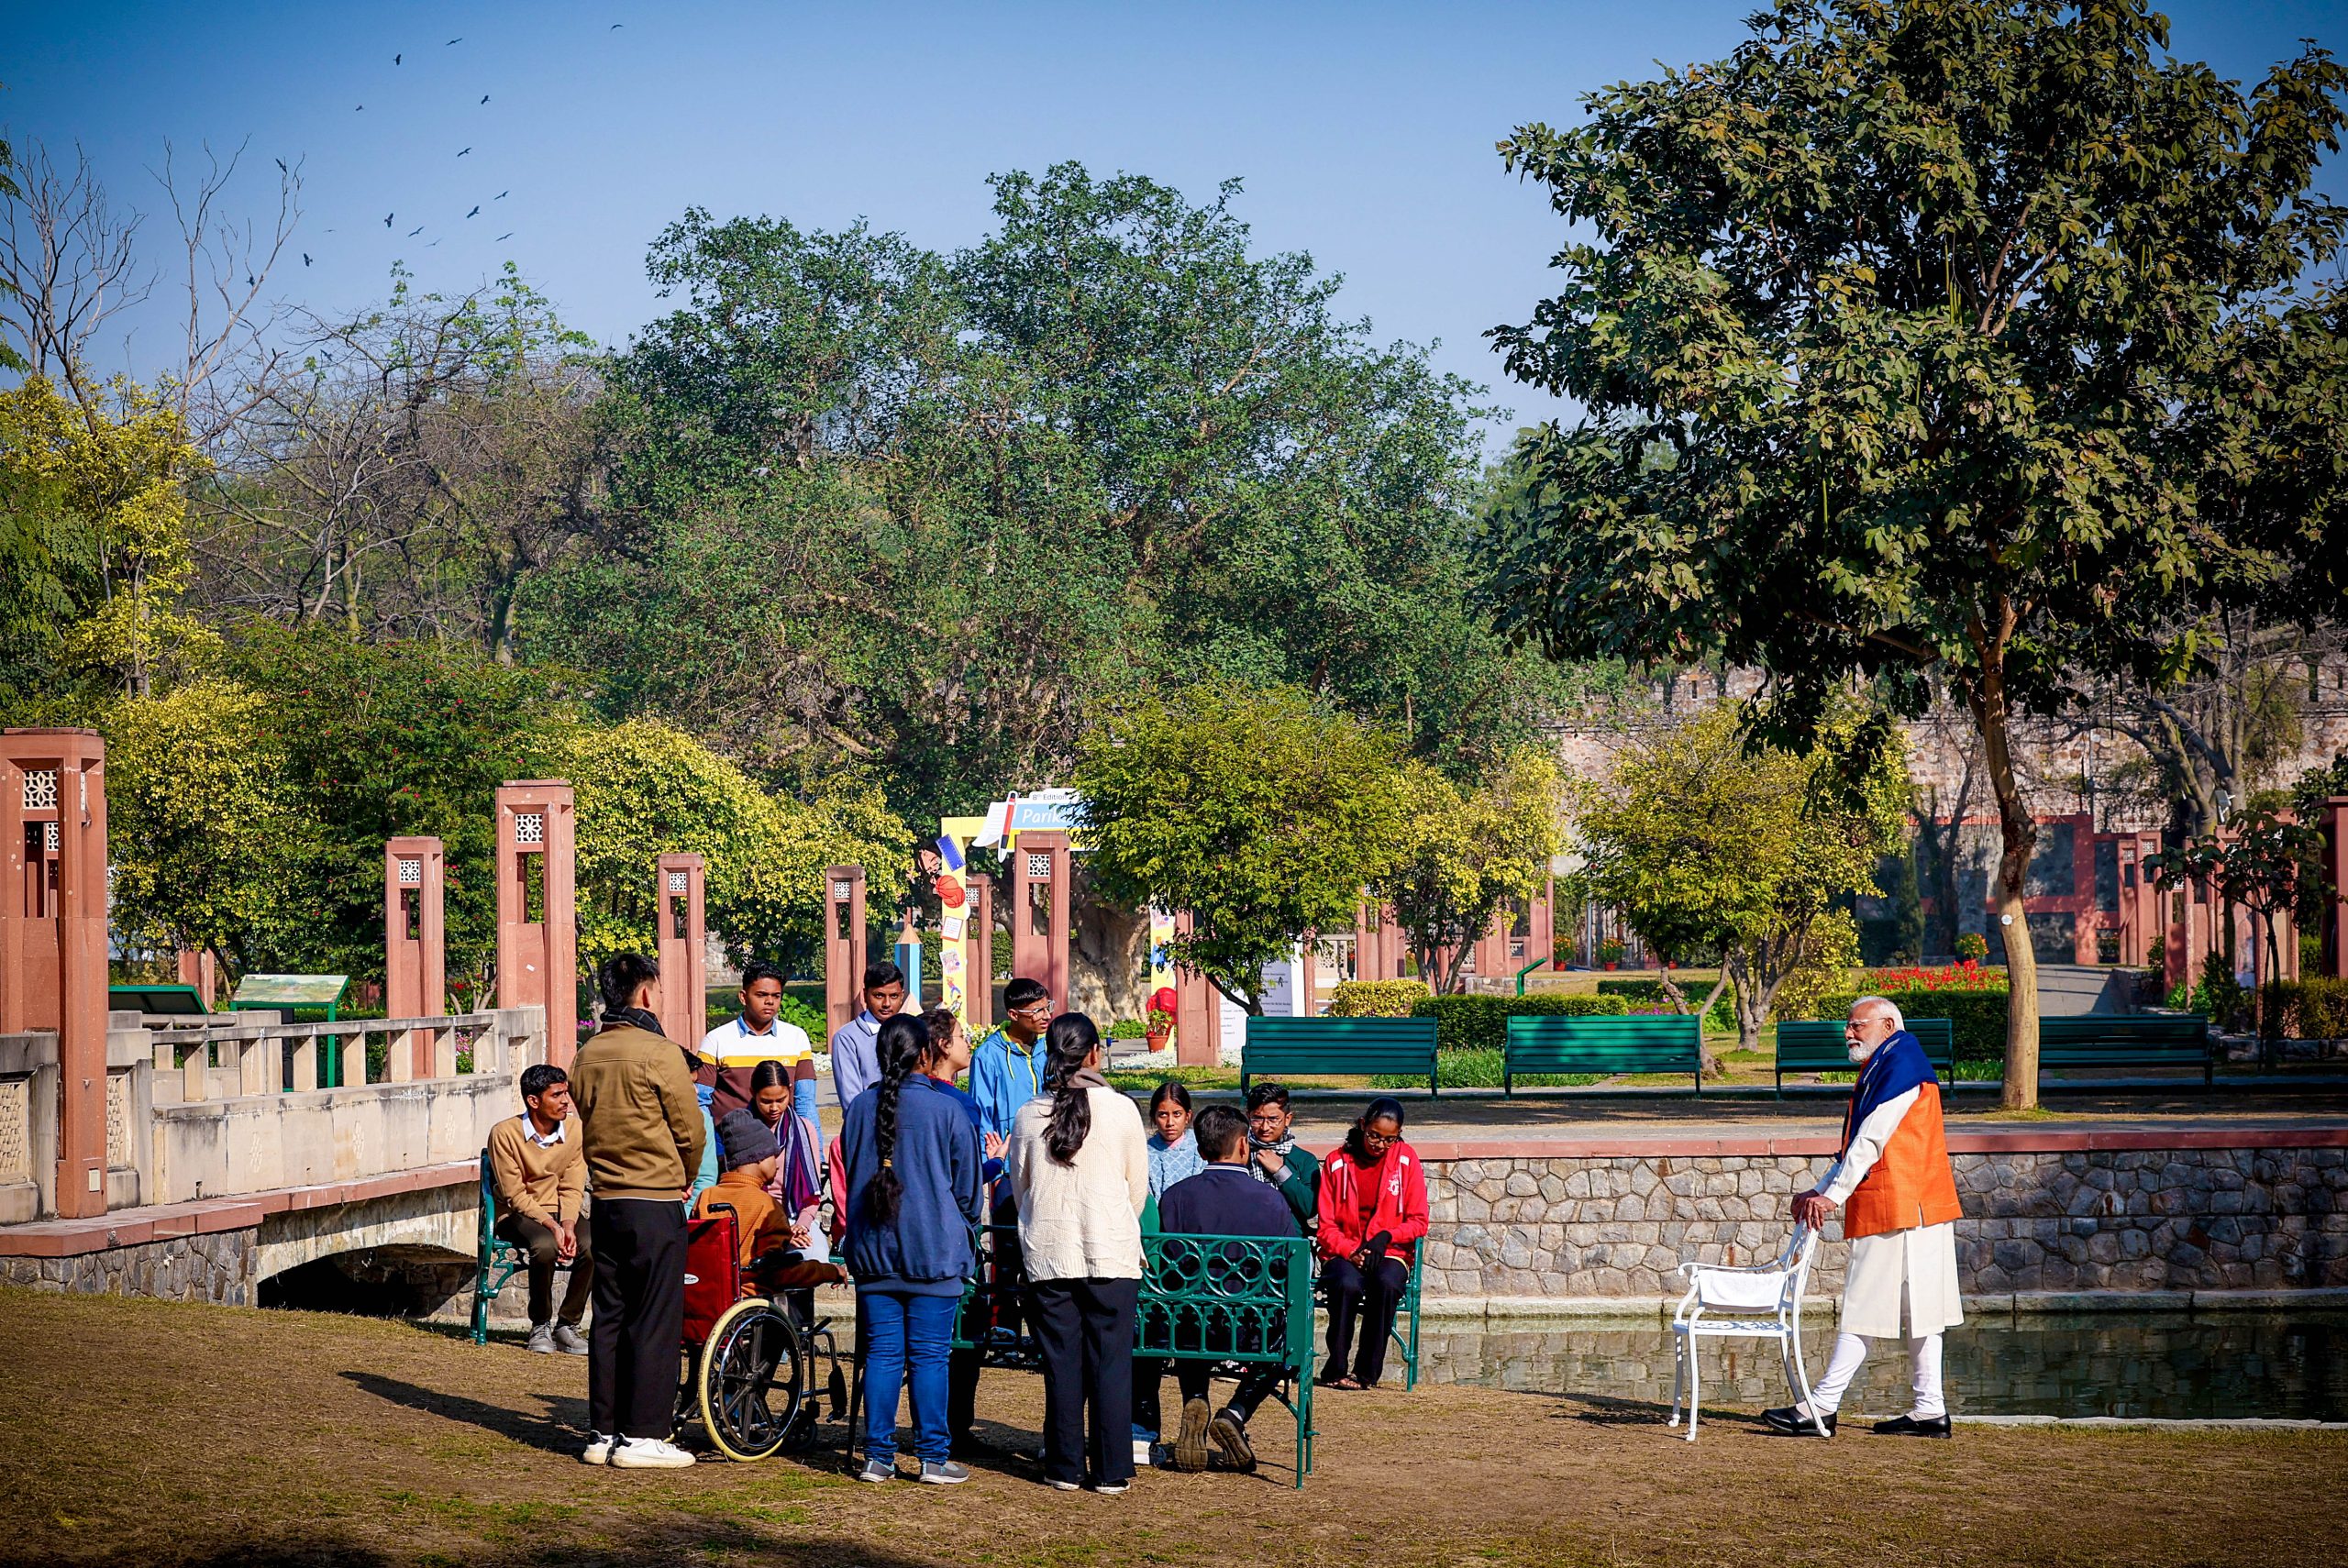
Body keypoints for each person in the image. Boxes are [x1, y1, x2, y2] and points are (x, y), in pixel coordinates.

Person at [1767, 997, 1965, 1439]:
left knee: (1864, 1304)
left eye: (1857, 1026)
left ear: (1888, 1024)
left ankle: (1822, 1406)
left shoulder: (1899, 1067)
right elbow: (1860, 1144)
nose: (1849, 1034)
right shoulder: (1897, 1061)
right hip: (1919, 1204)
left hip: (1898, 1205)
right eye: (1849, 1027)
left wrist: (1832, 1196)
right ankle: (1930, 1410)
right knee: (1922, 1311)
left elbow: (1870, 1141)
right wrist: (1821, 1189)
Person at [570, 952, 705, 1469]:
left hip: (606, 1199)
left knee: (609, 1316)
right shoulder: (660, 1052)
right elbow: (690, 1131)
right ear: (646, 993)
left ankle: (603, 1431)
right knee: (654, 1316)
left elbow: (583, 1118)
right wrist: (686, 1172)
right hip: (654, 1199)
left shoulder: (586, 1055)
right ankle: (645, 1434)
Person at [1005, 1013, 1149, 1494]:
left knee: (1061, 1363)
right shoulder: (1123, 1110)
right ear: (1093, 1053)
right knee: (1111, 1362)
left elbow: (1020, 1189)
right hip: (1111, 1250)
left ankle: (1065, 1466)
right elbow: (1137, 1190)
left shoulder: (1029, 1114)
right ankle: (1110, 1470)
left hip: (1049, 1252)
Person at [840, 1013, 985, 1485]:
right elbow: (969, 1189)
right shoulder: (947, 1110)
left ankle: (877, 1457)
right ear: (926, 1055)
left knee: (883, 1354)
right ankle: (931, 1457)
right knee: (928, 1356)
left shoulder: (860, 1109)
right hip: (933, 1251)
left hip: (875, 1252)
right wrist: (957, 1223)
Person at [1134, 1104, 1301, 1475]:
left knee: (1192, 1312)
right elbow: (1288, 1265)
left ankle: (1196, 1399)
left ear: (1201, 1149)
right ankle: (1236, 1413)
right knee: (1287, 1338)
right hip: (1251, 1329)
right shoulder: (1270, 1199)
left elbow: (1167, 1262)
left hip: (1188, 1325)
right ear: (1244, 1145)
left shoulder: (1176, 1196)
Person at [950, 976, 1050, 1455]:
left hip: (1052, 1162)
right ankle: (1006, 1318)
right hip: (1009, 1164)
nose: (1044, 1015)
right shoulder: (991, 1054)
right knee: (1009, 1241)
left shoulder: (1052, 1047)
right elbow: (986, 1115)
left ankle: (1039, 1319)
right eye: (1035, 1010)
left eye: (1046, 1006)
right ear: (1014, 1014)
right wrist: (999, 1153)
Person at [1314, 1097, 1428, 1391]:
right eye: (1374, 1135)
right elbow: (1326, 1227)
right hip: (1344, 1249)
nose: (1379, 1144)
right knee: (1346, 1284)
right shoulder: (1337, 1162)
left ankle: (1366, 1372)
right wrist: (1350, 1251)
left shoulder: (1406, 1160)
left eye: (1390, 1139)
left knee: (1387, 1283)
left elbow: (1419, 1221)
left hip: (1389, 1250)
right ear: (1363, 1125)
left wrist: (1387, 1236)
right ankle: (1336, 1368)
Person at [486, 1063, 592, 1355]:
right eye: (556, 1095)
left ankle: (567, 1325)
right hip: (518, 1215)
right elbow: (514, 1194)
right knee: (544, 1246)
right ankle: (540, 1324)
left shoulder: (574, 1129)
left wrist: (568, 1225)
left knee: (594, 1245)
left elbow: (573, 1184)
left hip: (562, 1211)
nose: (565, 1101)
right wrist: (553, 1227)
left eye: (565, 1094)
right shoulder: (504, 1134)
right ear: (534, 1101)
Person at [700, 962, 819, 1125]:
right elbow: (700, 1103)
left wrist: (813, 1149)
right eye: (761, 995)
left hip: (783, 1143)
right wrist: (710, 1147)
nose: (770, 1001)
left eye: (776, 996)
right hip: (730, 1143)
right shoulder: (716, 1040)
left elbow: (805, 1103)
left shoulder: (796, 1038)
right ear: (743, 997)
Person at [692, 1109, 807, 1270]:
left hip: (713, 1291)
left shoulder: (707, 1196)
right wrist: (826, 1271)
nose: (777, 1164)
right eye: (774, 1156)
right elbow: (777, 1271)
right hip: (754, 1291)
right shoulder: (767, 1205)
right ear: (759, 1157)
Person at [745, 1060, 827, 1257]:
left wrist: (801, 1225)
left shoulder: (804, 1130)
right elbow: (740, 1193)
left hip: (795, 1216)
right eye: (766, 1101)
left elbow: (812, 1195)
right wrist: (779, 1231)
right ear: (752, 1092)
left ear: (790, 1091)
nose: (774, 1108)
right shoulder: (742, 1129)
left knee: (815, 1256)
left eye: (781, 1099)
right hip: (754, 1220)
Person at [830, 960, 907, 1110]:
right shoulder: (848, 1038)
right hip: (871, 1126)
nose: (886, 1004)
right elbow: (852, 1101)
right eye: (879, 996)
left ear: (902, 996)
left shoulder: (910, 1032)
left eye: (894, 996)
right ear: (865, 995)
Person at [1244, 1081, 1320, 1231]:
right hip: (1248, 1239)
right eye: (1257, 1119)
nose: (1265, 1127)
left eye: (1273, 1119)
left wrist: (1281, 1171)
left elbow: (1310, 1208)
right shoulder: (1240, 1153)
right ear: (1248, 1116)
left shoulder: (1304, 1159)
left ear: (1288, 1119)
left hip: (1291, 1240)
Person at [1145, 1081, 1204, 1199]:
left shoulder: (1201, 1149)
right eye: (1163, 1115)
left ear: (1188, 1116)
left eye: (1177, 1114)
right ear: (1153, 1117)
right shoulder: (1145, 1153)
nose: (1170, 1123)